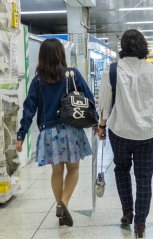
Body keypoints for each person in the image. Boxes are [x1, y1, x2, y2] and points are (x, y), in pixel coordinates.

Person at [16, 38, 94, 226]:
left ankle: (60, 207)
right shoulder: (72, 75)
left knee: (56, 172)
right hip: (71, 129)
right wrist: (97, 122)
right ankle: (64, 204)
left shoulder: (37, 81)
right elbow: (89, 99)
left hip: (49, 133)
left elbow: (29, 108)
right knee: (73, 169)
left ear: (42, 58)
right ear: (61, 54)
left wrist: (21, 134)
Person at [97, 29, 153, 238]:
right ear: (143, 46)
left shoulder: (111, 70)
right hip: (146, 132)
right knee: (144, 178)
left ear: (123, 46)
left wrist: (102, 125)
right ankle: (140, 224)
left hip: (120, 130)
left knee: (121, 170)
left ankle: (127, 212)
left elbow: (105, 103)